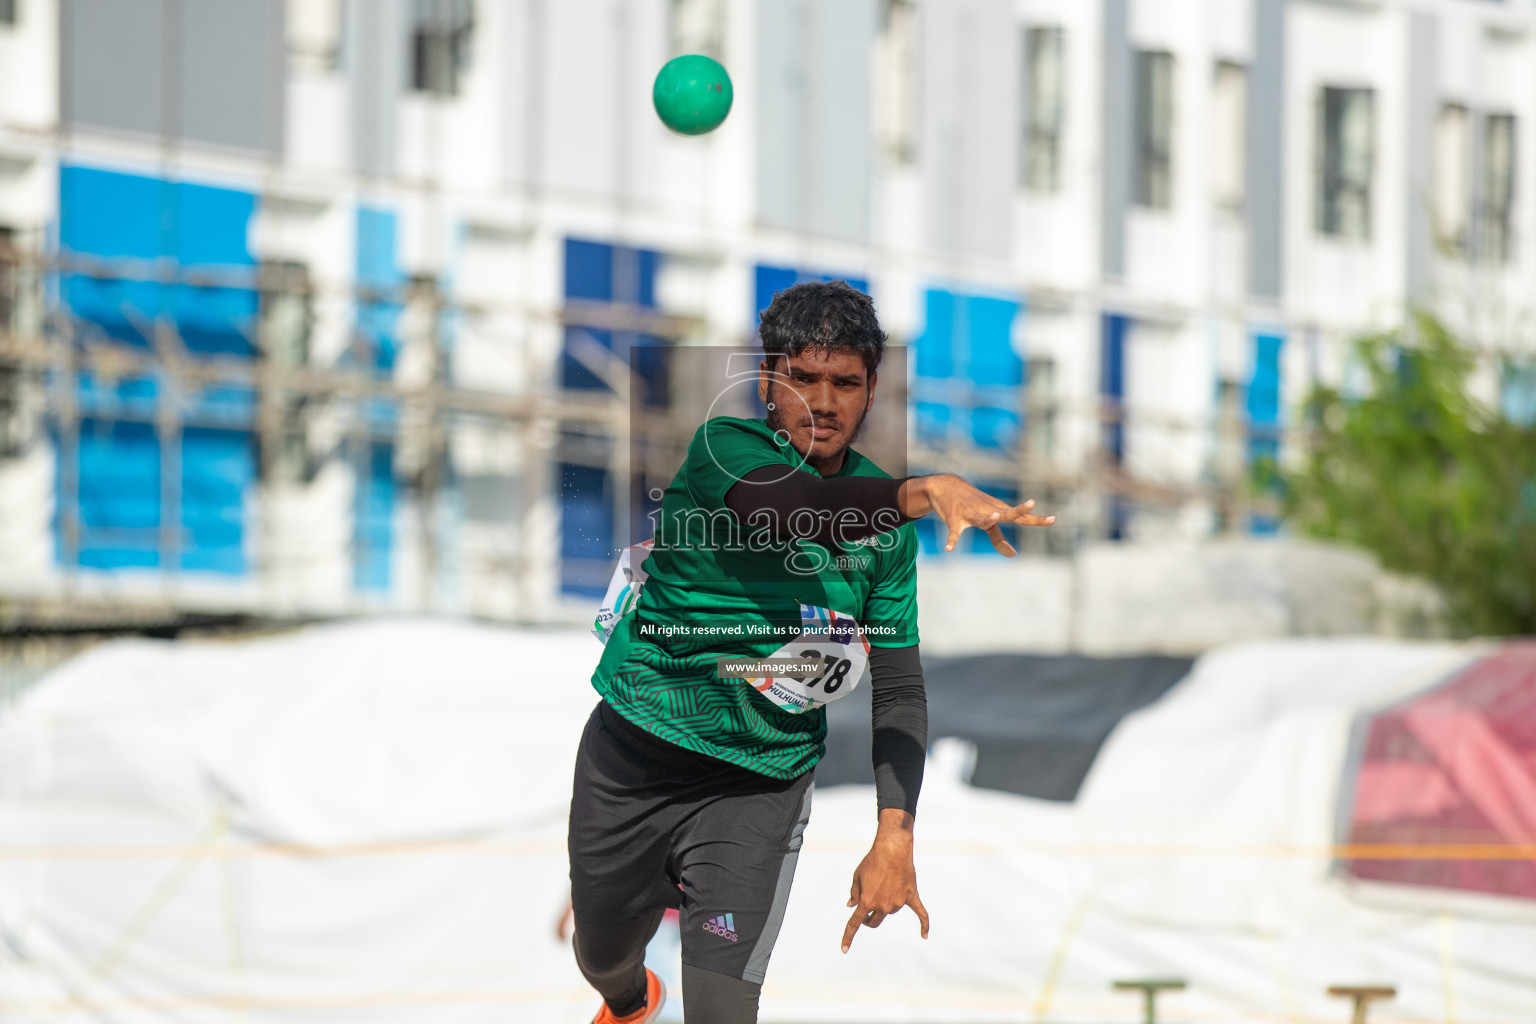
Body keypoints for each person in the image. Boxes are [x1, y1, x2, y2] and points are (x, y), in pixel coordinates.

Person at [568, 280, 1054, 1023]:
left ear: (872, 391)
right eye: (803, 379)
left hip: (759, 785)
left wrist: (896, 834)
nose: (824, 403)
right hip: (637, 754)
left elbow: (898, 689)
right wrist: (922, 492)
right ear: (768, 381)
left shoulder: (886, 525)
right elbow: (791, 511)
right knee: (601, 956)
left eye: (846, 384)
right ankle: (630, 1004)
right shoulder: (724, 449)